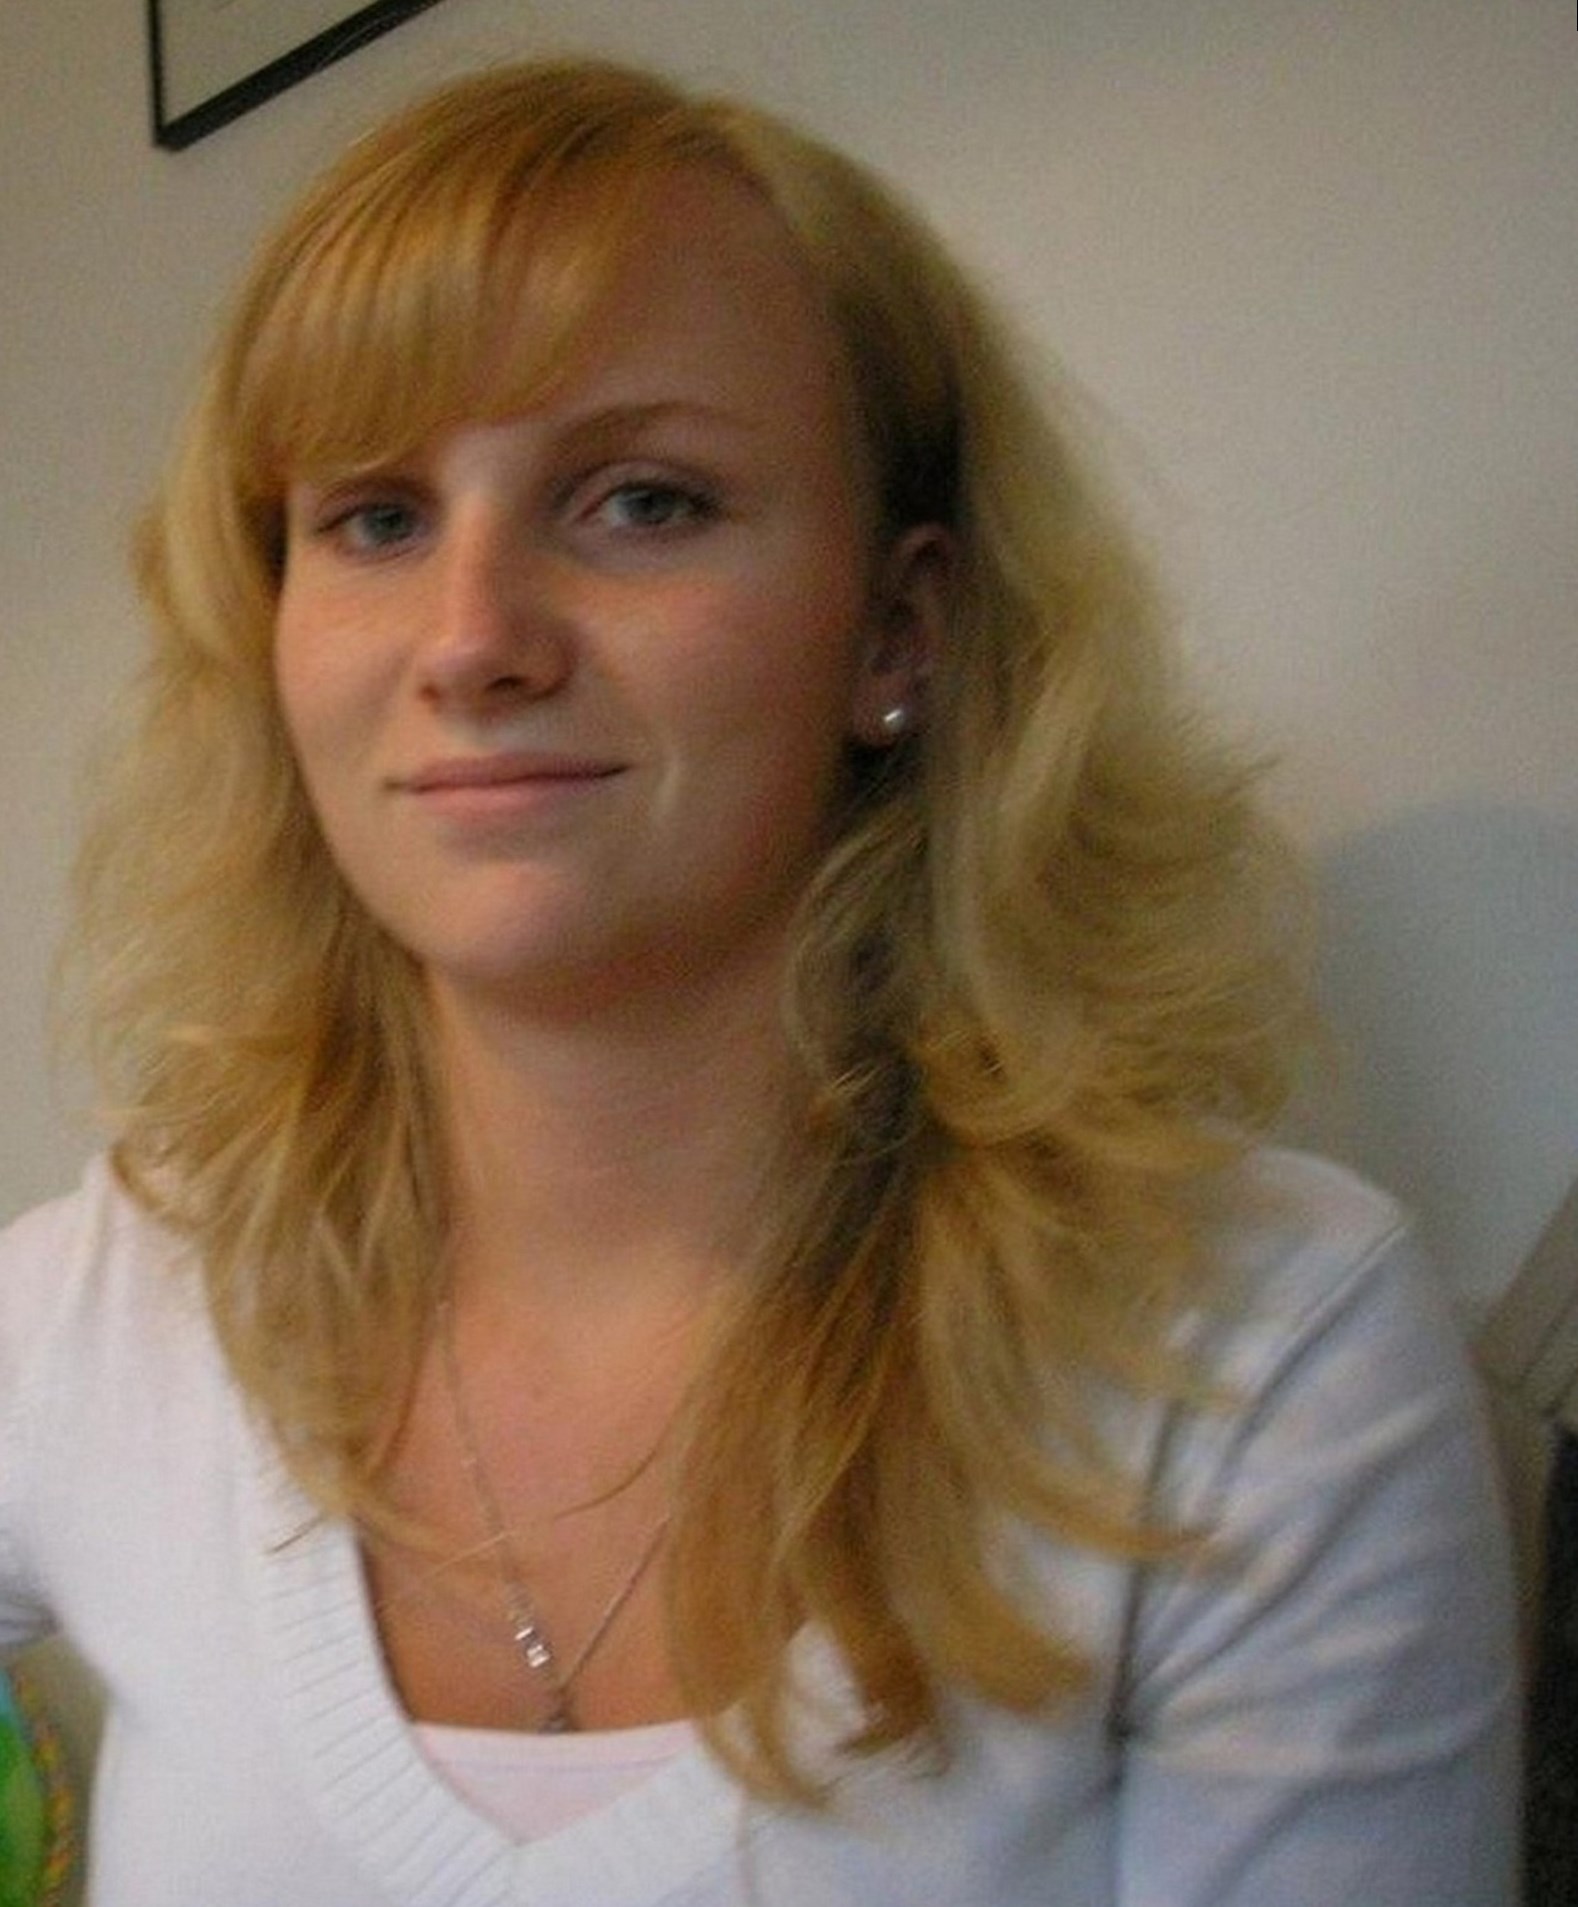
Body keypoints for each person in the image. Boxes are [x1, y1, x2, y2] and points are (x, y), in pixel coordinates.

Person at [0, 57, 1517, 1906]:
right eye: (377, 520)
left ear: (897, 630)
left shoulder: (1253, 1359)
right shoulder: (112, 1305)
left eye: (640, 502)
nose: (471, 640)